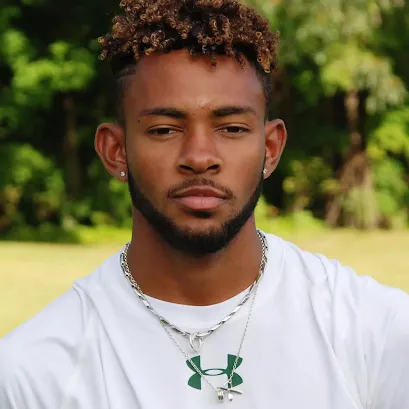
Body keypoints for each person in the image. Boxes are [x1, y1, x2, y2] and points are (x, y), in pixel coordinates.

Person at [1, 0, 408, 407]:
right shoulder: (33, 374)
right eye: (164, 129)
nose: (199, 156)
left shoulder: (378, 333)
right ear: (116, 151)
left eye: (231, 128)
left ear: (269, 149)